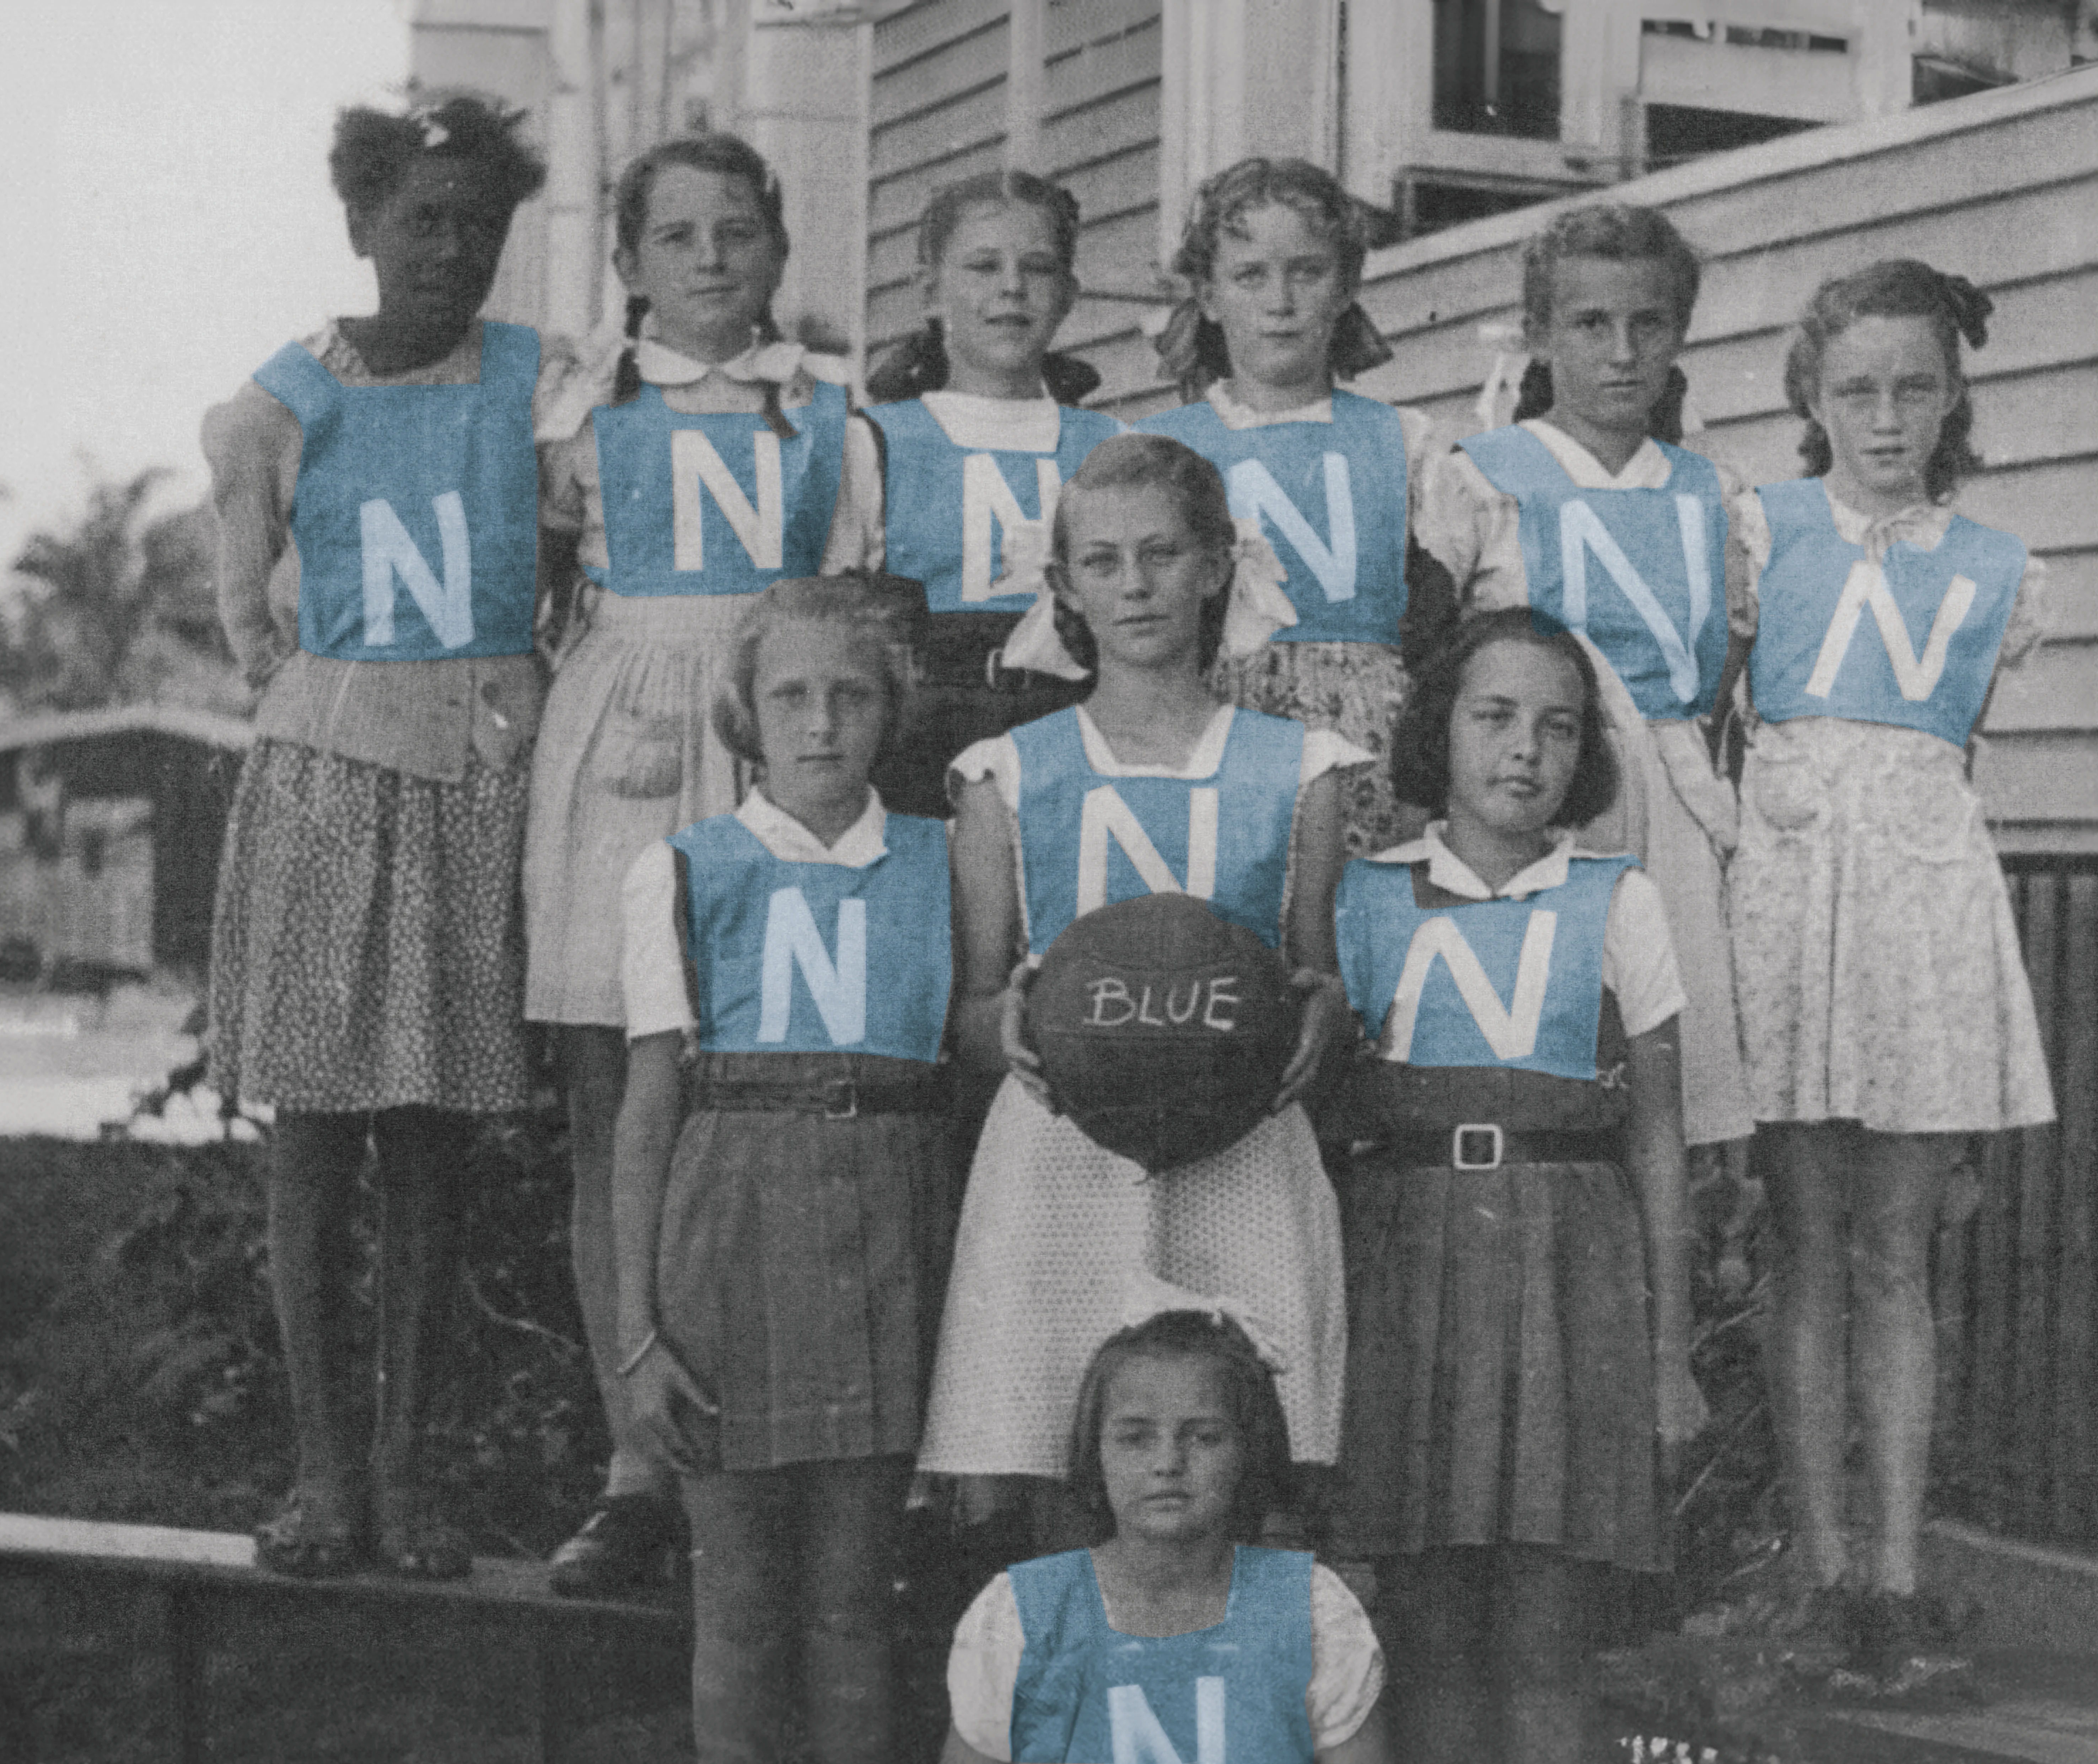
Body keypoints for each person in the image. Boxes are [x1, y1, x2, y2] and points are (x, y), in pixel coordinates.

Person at [204, 92, 572, 1580]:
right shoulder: (284, 402)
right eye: (424, 219)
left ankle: (413, 1479)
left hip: (478, 786)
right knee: (315, 1137)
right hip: (331, 779)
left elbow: (571, 557)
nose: (454, 249)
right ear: (361, 224)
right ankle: (324, 1478)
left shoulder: (538, 387)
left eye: (481, 225)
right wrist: (341, 713)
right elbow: (249, 620)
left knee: (431, 1142)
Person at [917, 433, 1361, 1540]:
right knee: (1069, 1464)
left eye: (1162, 554)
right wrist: (1005, 1028)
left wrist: (1324, 1016)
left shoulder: (1296, 766)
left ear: (1216, 565)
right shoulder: (1007, 773)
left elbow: (1318, 972)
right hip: (1065, 1153)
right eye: (1104, 562)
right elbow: (975, 1006)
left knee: (1235, 1464)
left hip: (1241, 1144)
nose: (1136, 585)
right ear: (1064, 585)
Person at [523, 133, 858, 1595]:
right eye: (677, 236)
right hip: (622, 752)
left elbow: (854, 599)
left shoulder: (828, 411)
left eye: (737, 231)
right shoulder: (581, 410)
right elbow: (539, 590)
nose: (711, 258)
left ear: (777, 251)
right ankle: (634, 1459)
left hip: (784, 736)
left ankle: (791, 1454)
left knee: (773, 1092)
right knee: (620, 1102)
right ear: (632, 262)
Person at [1731, 260, 2055, 1656]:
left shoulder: (2001, 570)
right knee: (1805, 1242)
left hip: (1921, 905)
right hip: (1794, 892)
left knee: (1894, 1250)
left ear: (1956, 394)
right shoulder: (1761, 531)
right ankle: (1816, 1557)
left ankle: (1897, 1574)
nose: (1885, 415)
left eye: (1915, 386)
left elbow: (1958, 739)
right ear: (1811, 393)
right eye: (1856, 388)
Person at [1330, 609, 1708, 1761]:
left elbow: (1658, 1139)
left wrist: (1669, 1357)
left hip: (1568, 1275)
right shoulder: (1364, 898)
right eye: (1494, 718)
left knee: (1550, 1627)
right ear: (1439, 729)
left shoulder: (1620, 899)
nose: (1524, 752)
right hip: (1409, 1273)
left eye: (1555, 727)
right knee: (1431, 1622)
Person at [611, 574, 954, 1762]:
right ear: (744, 713)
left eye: (851, 695)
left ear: (892, 710)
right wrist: (640, 1333)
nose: (821, 723)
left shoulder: (943, 861)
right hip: (732, 1240)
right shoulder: (685, 870)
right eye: (792, 695)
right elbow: (650, 1109)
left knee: (856, 1605)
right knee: (743, 1609)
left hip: (887, 1239)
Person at [1451, 203, 1755, 1154]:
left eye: (1647, 325)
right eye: (1590, 325)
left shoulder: (1716, 493)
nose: (1621, 353)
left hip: (1672, 813)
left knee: (1671, 1088)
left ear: (1679, 332)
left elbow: (1731, 679)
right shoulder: (1482, 477)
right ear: (1540, 335)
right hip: (1529, 808)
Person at [1137, 158, 1511, 856]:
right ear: (1210, 296)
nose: (1280, 300)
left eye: (1306, 272)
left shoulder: (1404, 443)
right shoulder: (1167, 450)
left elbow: (1448, 633)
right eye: (1251, 275)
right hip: (1220, 740)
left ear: (1345, 288)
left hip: (1375, 750)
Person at [942, 1301, 1389, 1764]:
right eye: (1135, 1438)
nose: (1168, 1464)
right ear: (1096, 1452)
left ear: (1248, 1451)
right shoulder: (1024, 1614)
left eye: (1203, 1437)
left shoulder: (1310, 1610)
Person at [830, 169, 1125, 817]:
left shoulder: (1109, 444)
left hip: (1076, 730)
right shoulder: (876, 441)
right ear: (932, 293)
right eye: (984, 267)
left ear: (1070, 293)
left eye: (1039, 268)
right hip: (923, 744)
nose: (1012, 289)